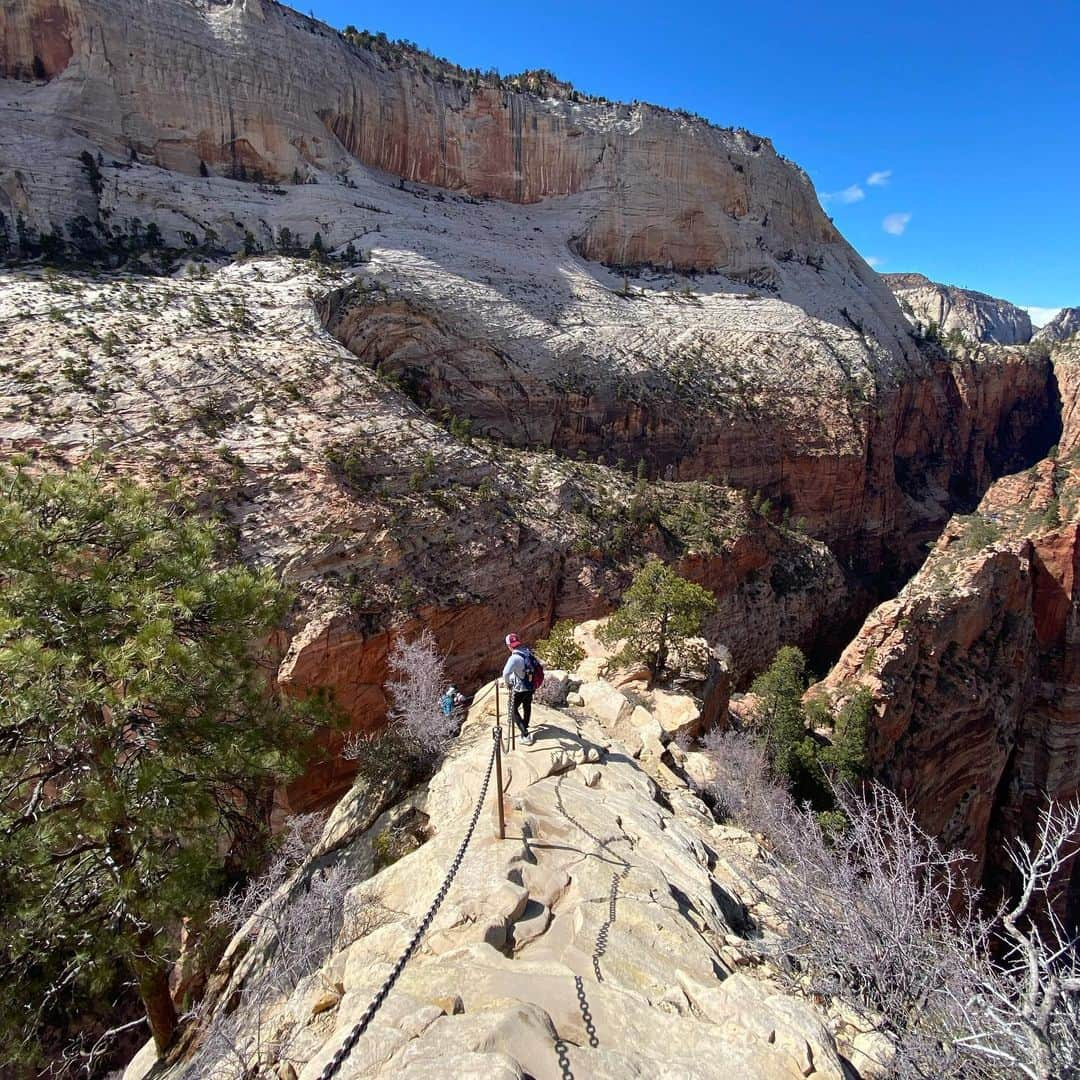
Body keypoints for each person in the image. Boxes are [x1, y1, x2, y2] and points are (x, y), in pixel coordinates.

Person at [502, 632, 535, 745]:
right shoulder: (527, 652)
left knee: (512, 709)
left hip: (521, 688)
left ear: (509, 645)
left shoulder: (514, 658)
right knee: (527, 705)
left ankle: (525, 735)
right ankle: (525, 726)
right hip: (531, 685)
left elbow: (505, 673)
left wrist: (508, 683)